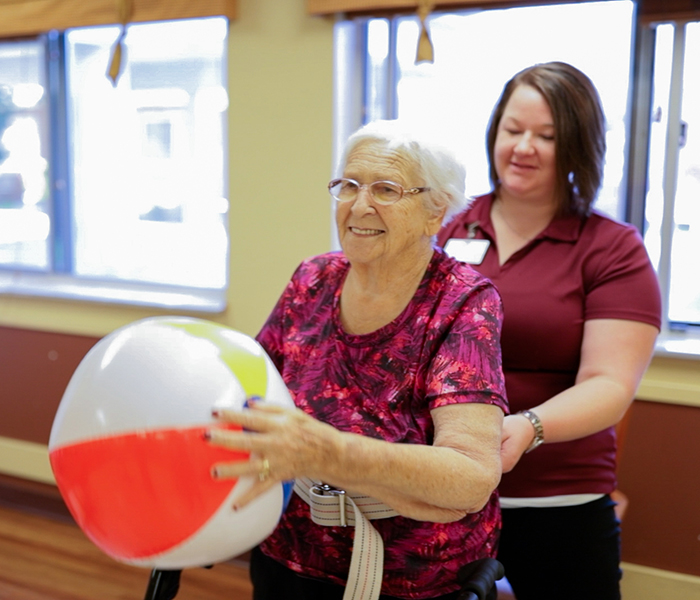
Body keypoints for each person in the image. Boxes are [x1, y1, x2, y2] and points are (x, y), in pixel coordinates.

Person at [205, 119, 509, 600]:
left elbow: (469, 478)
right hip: (288, 555)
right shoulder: (314, 278)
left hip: (412, 579)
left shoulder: (462, 302)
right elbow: (247, 389)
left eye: (386, 189)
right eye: (348, 185)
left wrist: (330, 454)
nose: (359, 204)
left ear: (436, 213)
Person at [438, 61, 662, 600]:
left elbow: (609, 384)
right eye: (513, 130)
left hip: (558, 500)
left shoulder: (611, 247)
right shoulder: (450, 225)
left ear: (579, 147)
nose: (523, 147)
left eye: (547, 136)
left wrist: (528, 429)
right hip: (444, 489)